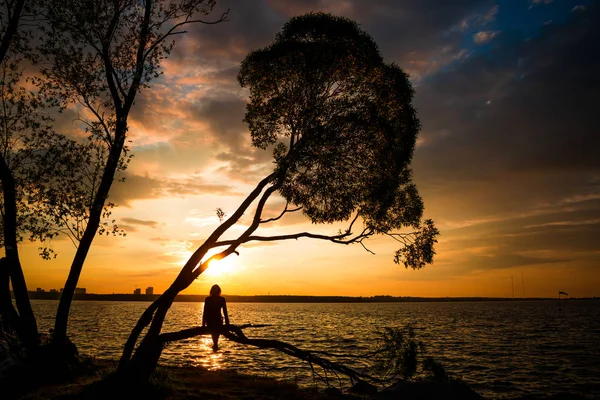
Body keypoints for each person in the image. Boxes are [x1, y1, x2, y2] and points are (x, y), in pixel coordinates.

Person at [202, 284, 229, 350]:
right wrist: (227, 324)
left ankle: (215, 345)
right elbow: (225, 313)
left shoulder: (208, 299)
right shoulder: (221, 299)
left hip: (212, 321)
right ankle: (215, 345)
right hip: (216, 321)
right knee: (216, 335)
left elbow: (205, 312)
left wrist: (203, 324)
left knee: (214, 335)